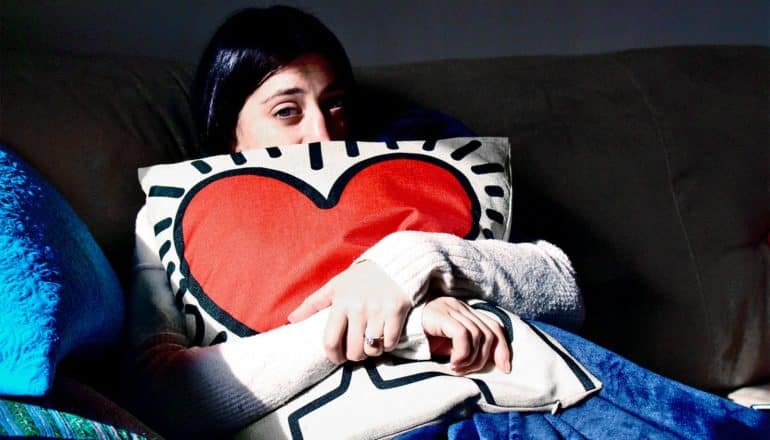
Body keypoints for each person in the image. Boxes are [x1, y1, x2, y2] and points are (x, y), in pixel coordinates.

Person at [127, 6, 582, 438]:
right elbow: (162, 397)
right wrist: (398, 322)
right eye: (287, 111)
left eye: (336, 105)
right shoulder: (174, 212)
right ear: (230, 132)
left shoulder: (401, 176)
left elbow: (563, 287)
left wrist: (411, 263)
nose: (323, 133)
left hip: (526, 405)